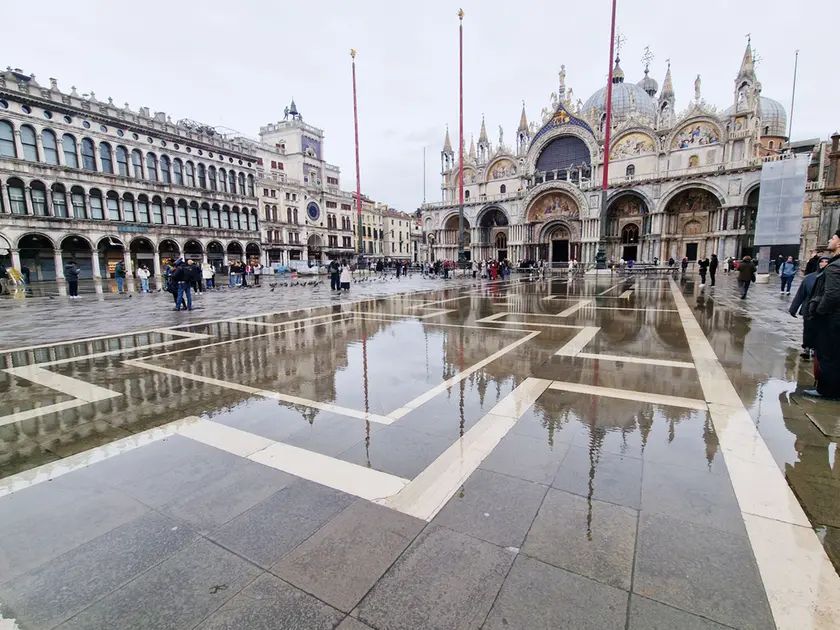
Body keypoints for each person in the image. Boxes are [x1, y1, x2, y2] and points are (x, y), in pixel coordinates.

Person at [806, 231, 840, 398]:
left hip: (832, 318)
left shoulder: (835, 266)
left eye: (833, 238)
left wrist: (819, 311)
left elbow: (832, 294)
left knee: (828, 354)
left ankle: (826, 390)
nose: (830, 239)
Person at [790, 255, 830, 360]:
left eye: (827, 262)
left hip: (823, 309)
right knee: (808, 329)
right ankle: (807, 347)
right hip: (808, 308)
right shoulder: (809, 278)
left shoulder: (832, 278)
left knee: (820, 330)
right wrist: (793, 308)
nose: (824, 264)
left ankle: (817, 348)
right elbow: (800, 294)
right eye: (822, 261)